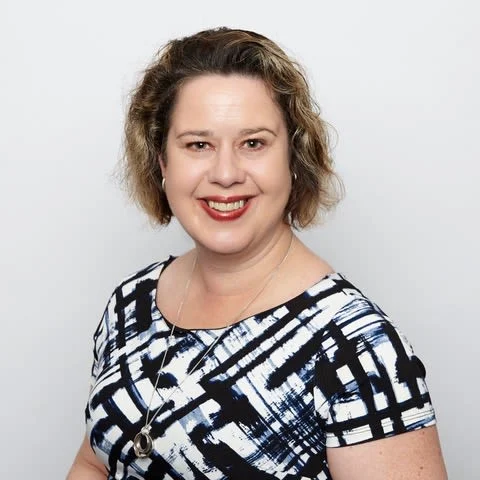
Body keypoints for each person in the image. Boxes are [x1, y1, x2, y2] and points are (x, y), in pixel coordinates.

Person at [67, 27, 447, 479]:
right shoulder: (131, 304)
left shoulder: (356, 348)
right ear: (162, 161)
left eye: (253, 143)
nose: (225, 173)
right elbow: (94, 462)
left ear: (294, 157)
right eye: (198, 145)